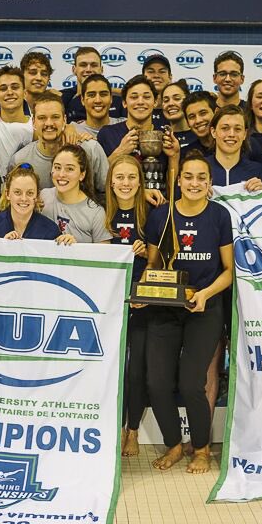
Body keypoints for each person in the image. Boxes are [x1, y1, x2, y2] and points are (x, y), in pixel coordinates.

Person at [145, 150, 233, 474]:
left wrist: (206, 293)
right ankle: (174, 445)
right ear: (178, 180)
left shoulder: (219, 216)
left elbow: (229, 270)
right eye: (188, 176)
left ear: (209, 184)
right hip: (166, 309)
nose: (194, 183)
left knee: (192, 383)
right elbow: (154, 267)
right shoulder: (162, 216)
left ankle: (201, 448)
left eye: (201, 178)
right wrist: (144, 294)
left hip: (205, 307)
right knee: (156, 383)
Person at [105, 155, 151, 457]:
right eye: (119, 177)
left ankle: (132, 430)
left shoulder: (153, 214)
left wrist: (148, 253)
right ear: (111, 181)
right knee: (111, 370)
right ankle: (111, 427)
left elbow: (165, 259)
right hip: (109, 302)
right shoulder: (102, 215)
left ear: (140, 181)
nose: (125, 183)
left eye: (131, 177)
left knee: (136, 372)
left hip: (143, 303)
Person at [11, 93, 109, 198]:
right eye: (42, 118)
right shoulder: (20, 160)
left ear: (64, 120)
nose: (49, 123)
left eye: (55, 117)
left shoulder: (90, 149)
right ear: (33, 122)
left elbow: (107, 193)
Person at [97, 76, 179, 197]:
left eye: (146, 97)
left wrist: (174, 157)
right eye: (134, 97)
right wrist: (120, 152)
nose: (140, 102)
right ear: (124, 103)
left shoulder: (164, 136)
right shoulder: (107, 133)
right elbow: (98, 181)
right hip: (120, 206)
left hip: (156, 209)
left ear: (155, 102)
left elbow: (171, 189)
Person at [40, 145, 111, 243]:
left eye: (69, 169)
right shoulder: (42, 196)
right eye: (57, 167)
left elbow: (105, 254)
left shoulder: (96, 213)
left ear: (82, 175)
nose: (61, 174)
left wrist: (76, 249)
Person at [0, 165, 61, 240]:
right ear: (7, 194)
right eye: (17, 192)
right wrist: (1, 246)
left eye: (30, 193)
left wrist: (68, 245)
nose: (24, 198)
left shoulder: (51, 230)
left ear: (37, 196)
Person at [206, 105, 262, 190]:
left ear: (245, 134)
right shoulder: (199, 168)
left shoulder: (257, 171)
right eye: (225, 128)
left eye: (237, 129)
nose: (231, 134)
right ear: (213, 132)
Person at [61, 47, 123, 123]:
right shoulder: (63, 98)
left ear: (101, 69)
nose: (88, 69)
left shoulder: (119, 100)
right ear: (74, 70)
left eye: (94, 65)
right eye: (83, 65)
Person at [160, 80, 192, 148]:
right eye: (166, 100)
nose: (170, 104)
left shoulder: (200, 134)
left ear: (188, 101)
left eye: (177, 99)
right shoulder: (159, 138)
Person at [141, 54, 172, 119]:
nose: (156, 75)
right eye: (151, 71)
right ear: (143, 76)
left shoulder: (181, 110)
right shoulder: (130, 106)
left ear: (170, 77)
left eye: (162, 71)